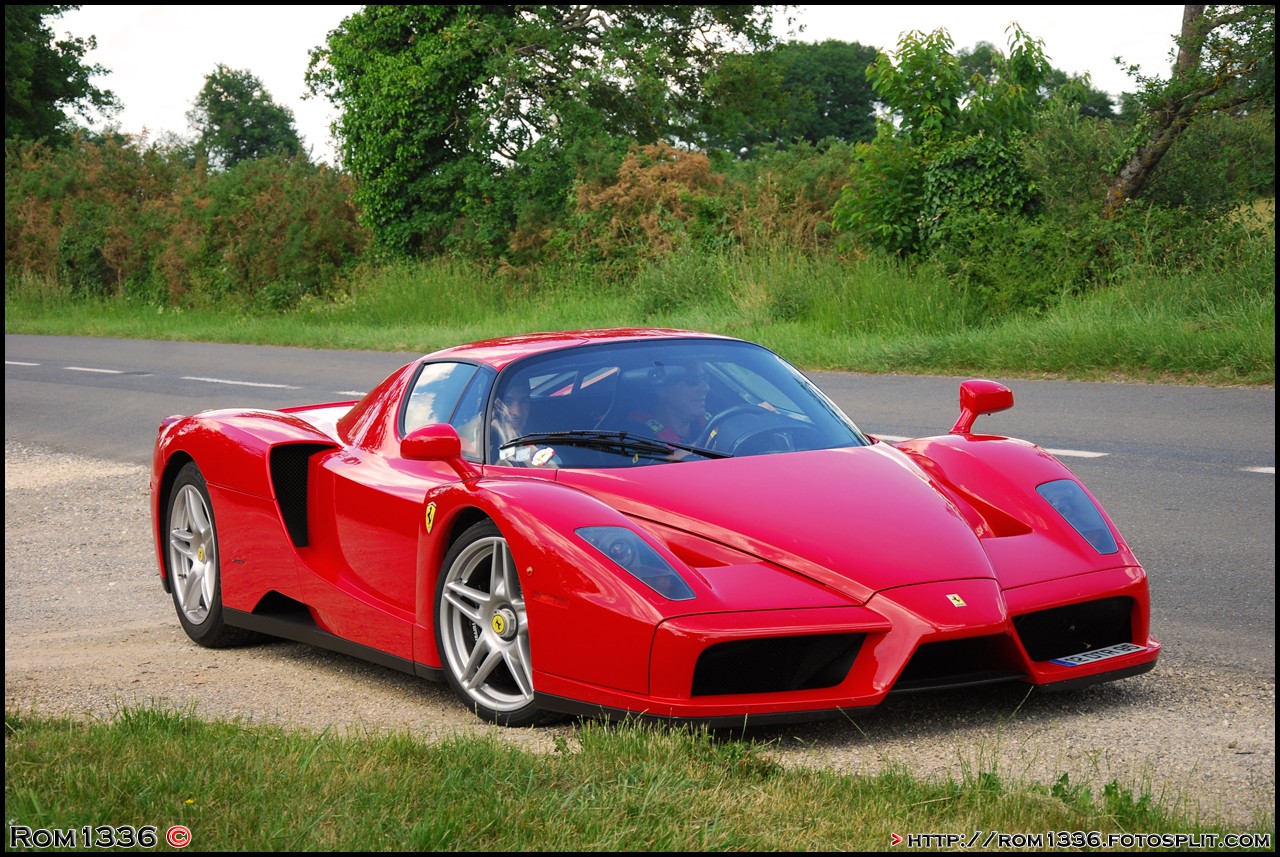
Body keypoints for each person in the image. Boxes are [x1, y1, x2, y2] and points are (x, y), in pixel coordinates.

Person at [623, 361, 710, 445]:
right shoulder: (635, 433)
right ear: (662, 389)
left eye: (704, 378)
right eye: (693, 380)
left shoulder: (711, 422)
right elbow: (662, 460)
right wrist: (709, 442)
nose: (706, 388)